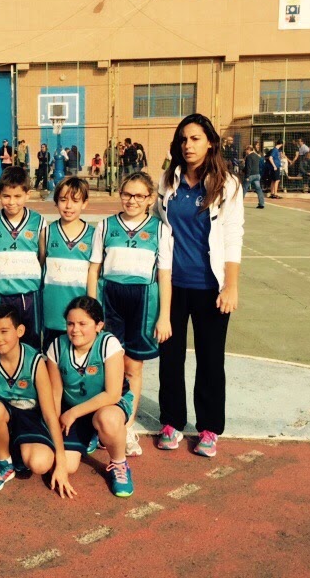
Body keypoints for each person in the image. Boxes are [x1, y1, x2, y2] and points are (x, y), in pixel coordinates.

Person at [155, 113, 244, 458]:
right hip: (173, 285)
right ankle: (171, 421)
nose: (188, 145)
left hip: (210, 287)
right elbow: (160, 228)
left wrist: (231, 286)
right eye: (183, 139)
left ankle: (208, 428)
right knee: (170, 357)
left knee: (210, 360)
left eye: (195, 139)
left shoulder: (227, 185)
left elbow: (233, 236)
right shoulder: (168, 181)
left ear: (210, 142)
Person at [87, 171, 172, 457]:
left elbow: (164, 276)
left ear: (150, 199)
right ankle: (102, 423)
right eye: (127, 194)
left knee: (133, 367)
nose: (132, 200)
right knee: (107, 364)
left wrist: (164, 316)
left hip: (143, 301)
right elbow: (94, 269)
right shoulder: (105, 226)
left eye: (139, 195)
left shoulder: (160, 229)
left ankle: (126, 427)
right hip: (110, 298)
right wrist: (92, 310)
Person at [0, 304, 74, 497]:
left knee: (40, 464)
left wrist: (61, 464)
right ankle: (4, 461)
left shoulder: (35, 361)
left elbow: (49, 415)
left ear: (19, 331)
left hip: (31, 416)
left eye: (4, 331)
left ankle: (17, 449)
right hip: (4, 415)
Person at [45, 296, 135, 498]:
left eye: (82, 324)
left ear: (98, 325)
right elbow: (55, 394)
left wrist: (72, 413)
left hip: (108, 405)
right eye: (70, 323)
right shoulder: (57, 347)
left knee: (107, 419)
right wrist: (55, 430)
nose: (75, 329)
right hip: (73, 408)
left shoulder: (108, 343)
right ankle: (92, 434)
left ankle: (119, 463)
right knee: (67, 466)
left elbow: (112, 394)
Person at [0, 166, 46, 349]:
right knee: (2, 344)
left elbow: (42, 256)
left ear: (27, 194)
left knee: (31, 344)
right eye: (6, 196)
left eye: (17, 196)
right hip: (1, 296)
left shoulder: (38, 221)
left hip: (29, 296)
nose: (11, 202)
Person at [40, 177, 93, 349]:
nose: (69, 206)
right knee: (51, 359)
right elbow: (41, 267)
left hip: (80, 317)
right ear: (56, 202)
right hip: (52, 315)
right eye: (63, 200)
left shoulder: (94, 235)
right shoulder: (47, 233)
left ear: (84, 203)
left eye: (75, 201)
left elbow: (95, 276)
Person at [243, 145, 265, 209]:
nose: (245, 151)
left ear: (248, 150)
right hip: (257, 174)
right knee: (258, 189)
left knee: (244, 188)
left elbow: (248, 167)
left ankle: (239, 203)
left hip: (250, 175)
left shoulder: (249, 157)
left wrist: (247, 176)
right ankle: (261, 204)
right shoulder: (257, 156)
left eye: (246, 150)